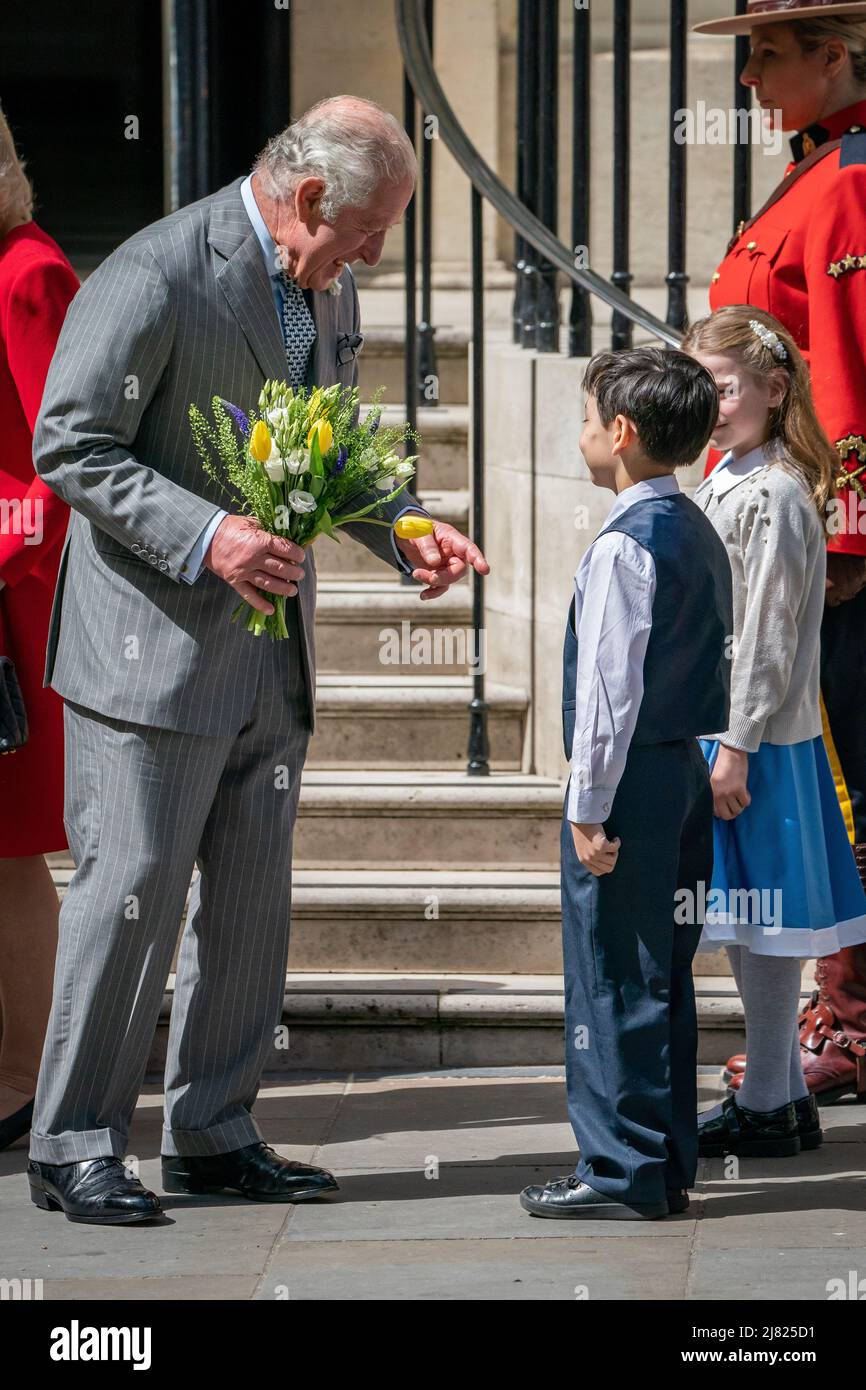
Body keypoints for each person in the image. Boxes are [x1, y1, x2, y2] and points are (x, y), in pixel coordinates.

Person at [26, 95, 489, 1226]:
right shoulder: (157, 269)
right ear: (311, 196)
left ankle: (216, 1131)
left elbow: (330, 443)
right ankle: (73, 1141)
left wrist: (404, 526)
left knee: (246, 907)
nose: (377, 255)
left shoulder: (323, 286)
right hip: (148, 654)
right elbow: (67, 441)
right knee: (128, 895)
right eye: (372, 227)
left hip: (267, 655)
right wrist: (209, 532)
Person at [693, 0, 866, 1103]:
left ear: (835, 53)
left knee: (842, 785)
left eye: (766, 53)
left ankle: (845, 1022)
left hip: (828, 539)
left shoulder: (847, 177)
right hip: (783, 519)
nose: (748, 75)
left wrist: (845, 534)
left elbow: (844, 365)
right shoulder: (811, 170)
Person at [519, 347, 733, 1221]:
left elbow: (608, 695)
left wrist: (586, 808)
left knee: (612, 972)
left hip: (632, 779)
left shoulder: (624, 546)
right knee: (663, 971)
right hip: (681, 770)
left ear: (622, 433)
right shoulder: (695, 526)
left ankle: (620, 1170)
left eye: (586, 418)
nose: (580, 435)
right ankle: (664, 1159)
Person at [683, 305, 866, 1158]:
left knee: (763, 921)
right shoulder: (726, 476)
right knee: (746, 917)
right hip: (726, 732)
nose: (711, 403)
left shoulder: (779, 492)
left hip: (758, 741)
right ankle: (781, 1098)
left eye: (725, 387)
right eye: (701, 386)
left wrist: (738, 744)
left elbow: (767, 632)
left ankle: (764, 1103)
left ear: (774, 388)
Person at [0, 105, 78, 1152]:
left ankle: (24, 1073)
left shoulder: (25, 271)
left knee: (10, 852)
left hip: (9, 603)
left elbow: (66, 448)